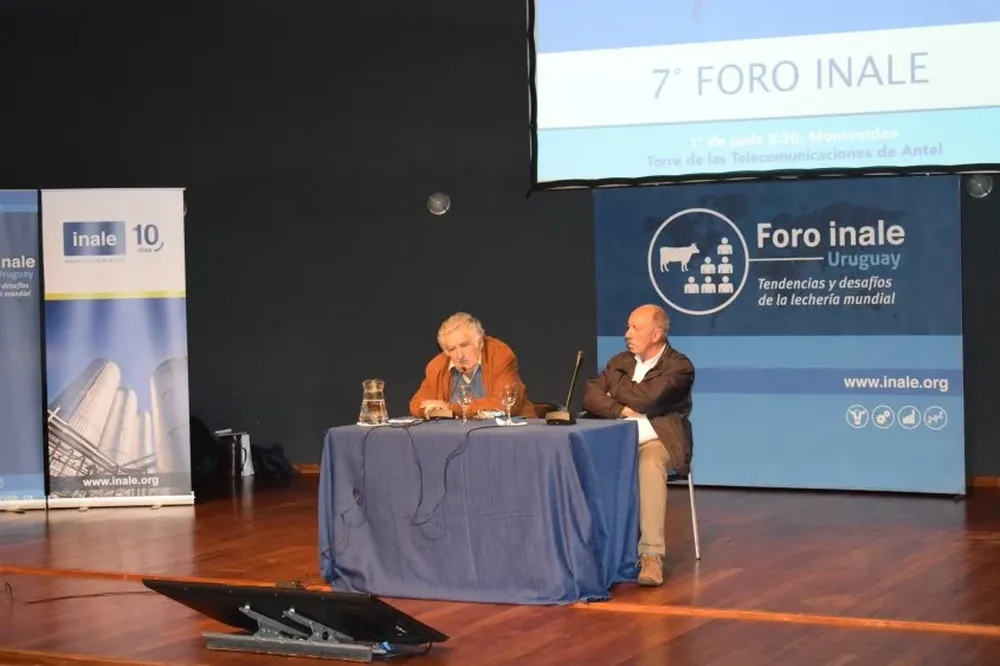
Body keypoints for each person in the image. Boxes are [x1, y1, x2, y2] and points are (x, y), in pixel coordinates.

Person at [581, 303, 694, 587]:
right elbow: (591, 395)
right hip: (617, 441)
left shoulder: (679, 367)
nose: (627, 334)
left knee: (649, 463)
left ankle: (651, 555)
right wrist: (621, 409)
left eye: (635, 328)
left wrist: (616, 389)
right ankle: (593, 551)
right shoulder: (620, 361)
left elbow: (648, 399)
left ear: (656, 334)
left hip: (660, 440)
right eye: (627, 327)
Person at [409, 312, 535, 419]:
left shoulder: (500, 356)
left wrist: (451, 409)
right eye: (452, 349)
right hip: (456, 436)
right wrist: (431, 410)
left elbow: (504, 404)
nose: (460, 356)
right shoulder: (437, 367)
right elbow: (417, 404)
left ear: (479, 342)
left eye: (464, 345)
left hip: (506, 433)